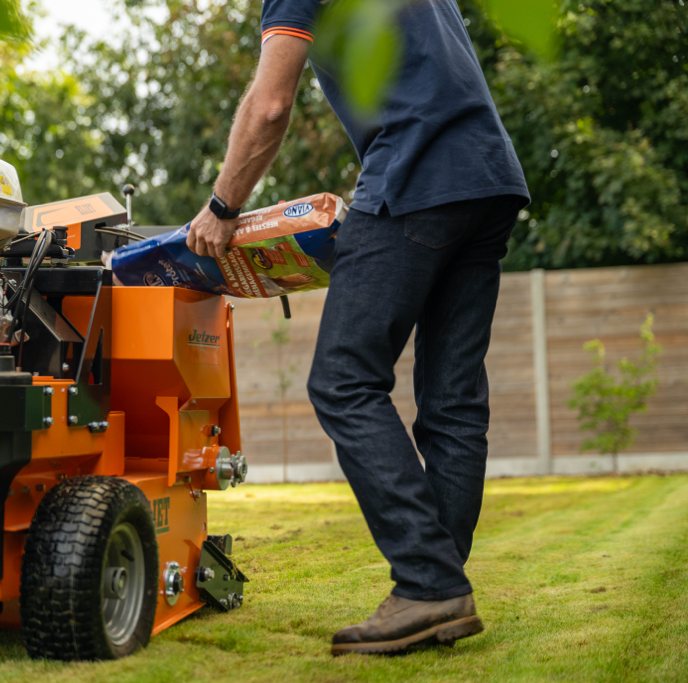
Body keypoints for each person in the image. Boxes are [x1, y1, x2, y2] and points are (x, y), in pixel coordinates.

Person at [186, 0, 529, 655]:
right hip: (488, 177)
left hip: (416, 172)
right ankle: (439, 593)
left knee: (343, 378)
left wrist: (222, 206)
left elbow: (269, 106)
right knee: (453, 398)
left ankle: (429, 583)